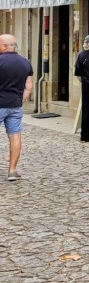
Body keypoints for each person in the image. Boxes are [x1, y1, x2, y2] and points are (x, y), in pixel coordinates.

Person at [0, 34, 33, 181]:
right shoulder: (25, 62)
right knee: (15, 136)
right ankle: (12, 171)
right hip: (15, 105)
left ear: (5, 46)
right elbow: (29, 85)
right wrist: (21, 99)